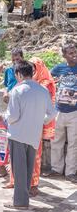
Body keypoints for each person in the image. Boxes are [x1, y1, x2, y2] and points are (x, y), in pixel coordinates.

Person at [0, 60, 55, 210]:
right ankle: (23, 197)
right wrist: (39, 121)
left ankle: (20, 202)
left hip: (18, 134)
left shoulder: (17, 90)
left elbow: (13, 116)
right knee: (28, 168)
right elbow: (52, 113)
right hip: (34, 135)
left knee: (19, 169)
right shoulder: (42, 90)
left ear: (18, 74)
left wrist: (2, 116)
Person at [45, 43, 77, 184]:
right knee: (56, 141)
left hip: (74, 112)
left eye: (75, 52)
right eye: (70, 53)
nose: (74, 55)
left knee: (73, 144)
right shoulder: (59, 68)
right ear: (64, 55)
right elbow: (47, 79)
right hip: (58, 111)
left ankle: (70, 172)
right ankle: (56, 169)